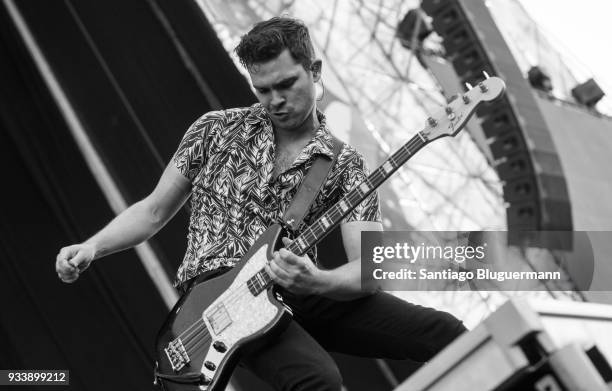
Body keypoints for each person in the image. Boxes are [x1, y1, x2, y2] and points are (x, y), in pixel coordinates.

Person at [56, 16, 465, 391]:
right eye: (262, 89)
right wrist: (93, 246)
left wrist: (317, 281)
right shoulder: (214, 129)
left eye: (286, 84)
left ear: (315, 71)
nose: (275, 100)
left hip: (297, 285)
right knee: (318, 381)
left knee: (444, 331)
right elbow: (152, 211)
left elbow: (367, 272)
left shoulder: (345, 165)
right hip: (217, 300)